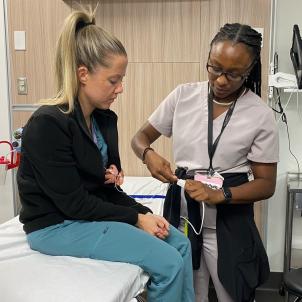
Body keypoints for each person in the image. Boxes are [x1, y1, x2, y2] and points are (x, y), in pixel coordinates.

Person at [17, 9, 195, 302]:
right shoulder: (48, 125)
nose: (120, 88)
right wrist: (136, 219)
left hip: (86, 216)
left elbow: (107, 190)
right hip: (55, 226)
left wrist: (146, 214)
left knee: (180, 244)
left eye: (121, 79)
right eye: (114, 80)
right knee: (168, 263)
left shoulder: (102, 121)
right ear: (83, 74)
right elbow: (74, 204)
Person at [131, 23, 279, 302]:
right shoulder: (183, 96)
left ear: (249, 71)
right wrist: (148, 154)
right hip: (184, 220)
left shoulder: (260, 114)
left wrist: (220, 194)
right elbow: (140, 138)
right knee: (188, 294)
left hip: (229, 223)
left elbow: (266, 184)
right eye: (215, 68)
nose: (222, 80)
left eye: (234, 74)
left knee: (232, 294)